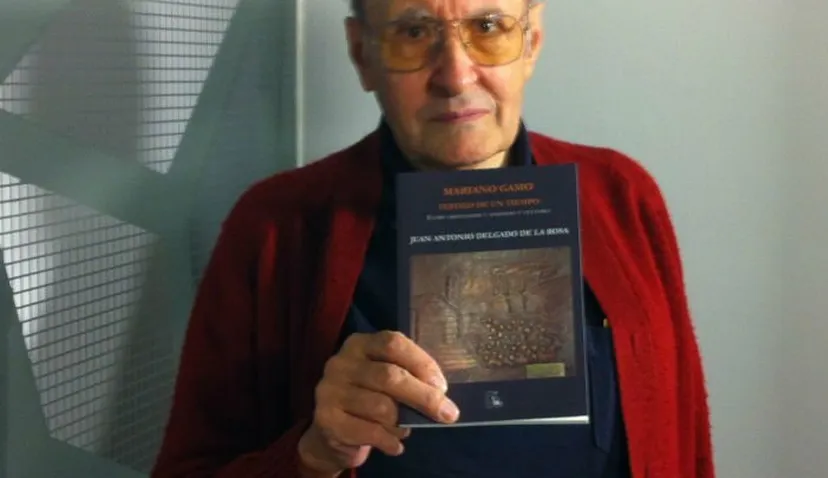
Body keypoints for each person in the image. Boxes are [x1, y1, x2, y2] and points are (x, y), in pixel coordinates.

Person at [151, 0, 715, 477]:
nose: (456, 77)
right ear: (362, 54)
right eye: (414, 32)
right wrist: (312, 455)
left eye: (488, 27)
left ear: (532, 41)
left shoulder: (621, 196)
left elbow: (683, 437)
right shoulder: (276, 226)